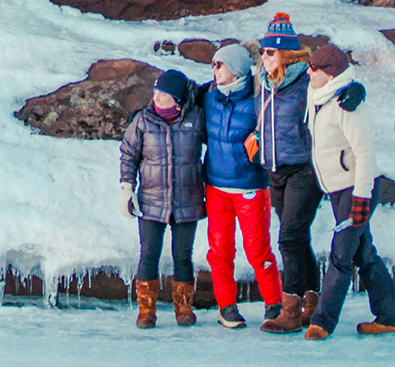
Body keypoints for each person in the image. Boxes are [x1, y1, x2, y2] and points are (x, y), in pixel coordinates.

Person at [303, 44, 395, 340]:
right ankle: (390, 316)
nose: (309, 71)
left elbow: (364, 153)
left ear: (330, 73)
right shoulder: (319, 95)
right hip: (337, 190)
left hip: (356, 189)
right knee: (364, 254)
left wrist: (361, 197)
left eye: (315, 68)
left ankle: (322, 323)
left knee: (341, 255)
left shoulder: (347, 104)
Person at [202, 44, 283, 329]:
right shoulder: (208, 96)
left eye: (219, 65)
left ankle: (274, 304)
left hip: (250, 186)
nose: (214, 70)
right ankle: (226, 306)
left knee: (257, 249)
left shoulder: (260, 97)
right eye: (213, 65)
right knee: (220, 250)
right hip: (216, 186)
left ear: (236, 69)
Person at [253, 13, 324, 334]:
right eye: (262, 51)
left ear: (285, 53)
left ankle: (291, 311)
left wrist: (355, 94)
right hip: (275, 171)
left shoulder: (307, 82)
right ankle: (313, 302)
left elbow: (338, 88)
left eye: (269, 52)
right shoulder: (265, 84)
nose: (263, 57)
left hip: (304, 169)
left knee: (289, 239)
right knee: (297, 238)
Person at [119, 69, 205, 329]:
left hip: (187, 200)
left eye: (163, 94)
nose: (156, 97)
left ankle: (184, 308)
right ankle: (146, 310)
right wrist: (126, 187)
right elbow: (128, 154)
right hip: (151, 201)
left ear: (177, 99)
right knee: (149, 255)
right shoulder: (143, 122)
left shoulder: (195, 119)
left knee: (183, 256)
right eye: (155, 92)